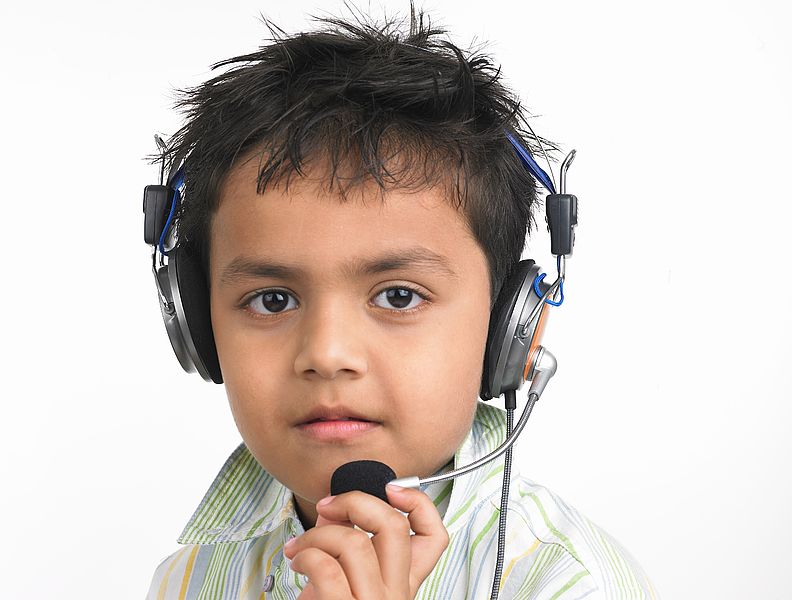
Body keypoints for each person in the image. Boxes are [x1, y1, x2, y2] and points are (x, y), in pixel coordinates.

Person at [144, 8, 657, 599]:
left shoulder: (572, 584)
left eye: (398, 296)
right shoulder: (189, 578)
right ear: (198, 330)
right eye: (273, 299)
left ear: (512, 331)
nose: (328, 355)